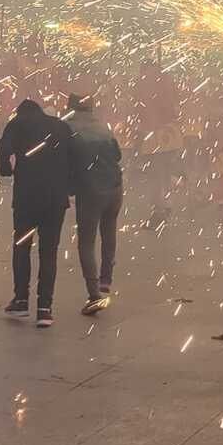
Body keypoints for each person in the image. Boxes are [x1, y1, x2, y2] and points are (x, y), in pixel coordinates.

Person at [0, 99, 75, 326]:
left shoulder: (17, 123)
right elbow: (75, 156)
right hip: (55, 200)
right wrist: (69, 187)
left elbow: (2, 149)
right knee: (49, 251)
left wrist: (5, 169)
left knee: (22, 247)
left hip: (26, 198)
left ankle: (21, 300)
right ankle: (45, 309)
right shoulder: (61, 125)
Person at [64, 93, 123, 316]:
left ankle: (94, 294)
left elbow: (66, 159)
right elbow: (117, 155)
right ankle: (106, 279)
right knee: (109, 233)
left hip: (89, 190)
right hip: (115, 187)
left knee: (86, 242)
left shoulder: (68, 127)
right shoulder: (103, 127)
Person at [135, 59, 183, 230]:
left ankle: (159, 211)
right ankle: (165, 204)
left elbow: (147, 109)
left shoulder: (152, 84)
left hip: (158, 133)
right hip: (167, 132)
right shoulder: (165, 80)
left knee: (157, 173)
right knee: (162, 172)